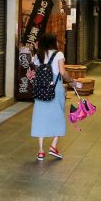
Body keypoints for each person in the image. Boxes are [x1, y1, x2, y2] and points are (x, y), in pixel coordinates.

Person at [29, 33, 79, 161]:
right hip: (55, 89)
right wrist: (71, 81)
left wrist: (36, 49)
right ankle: (53, 146)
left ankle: (40, 151)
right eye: (56, 41)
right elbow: (62, 72)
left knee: (40, 117)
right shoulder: (59, 54)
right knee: (58, 116)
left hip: (40, 90)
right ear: (53, 42)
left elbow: (36, 67)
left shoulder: (38, 55)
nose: (58, 43)